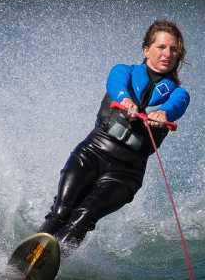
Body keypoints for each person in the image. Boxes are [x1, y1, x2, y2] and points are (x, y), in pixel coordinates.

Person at [38, 19, 190, 255]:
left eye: (173, 49)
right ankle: (25, 259)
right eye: (161, 47)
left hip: (125, 175)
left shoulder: (179, 95)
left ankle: (47, 263)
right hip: (91, 153)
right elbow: (115, 83)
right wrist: (126, 100)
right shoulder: (123, 72)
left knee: (83, 217)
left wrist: (163, 113)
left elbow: (177, 105)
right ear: (146, 49)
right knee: (61, 211)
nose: (167, 54)